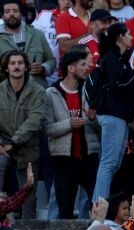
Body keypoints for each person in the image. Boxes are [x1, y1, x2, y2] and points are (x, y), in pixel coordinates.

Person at [91, 24, 134, 203]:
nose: (132, 37)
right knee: (108, 163)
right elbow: (119, 85)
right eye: (129, 34)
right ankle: (99, 205)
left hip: (120, 115)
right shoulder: (111, 59)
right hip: (112, 114)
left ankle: (101, 202)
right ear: (120, 37)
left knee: (114, 163)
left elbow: (132, 86)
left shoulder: (121, 59)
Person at [46, 48, 99, 219]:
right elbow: (48, 128)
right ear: (70, 68)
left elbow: (100, 127)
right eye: (82, 64)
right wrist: (69, 124)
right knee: (65, 209)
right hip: (63, 158)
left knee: (97, 204)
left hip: (89, 156)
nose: (87, 68)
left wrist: (92, 118)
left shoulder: (89, 90)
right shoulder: (51, 93)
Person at [0, 50, 46, 219]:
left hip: (28, 147)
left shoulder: (38, 91)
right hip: (2, 146)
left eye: (20, 63)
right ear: (6, 68)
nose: (16, 66)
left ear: (26, 67)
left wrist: (13, 142)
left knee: (29, 197)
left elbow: (34, 121)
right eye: (12, 63)